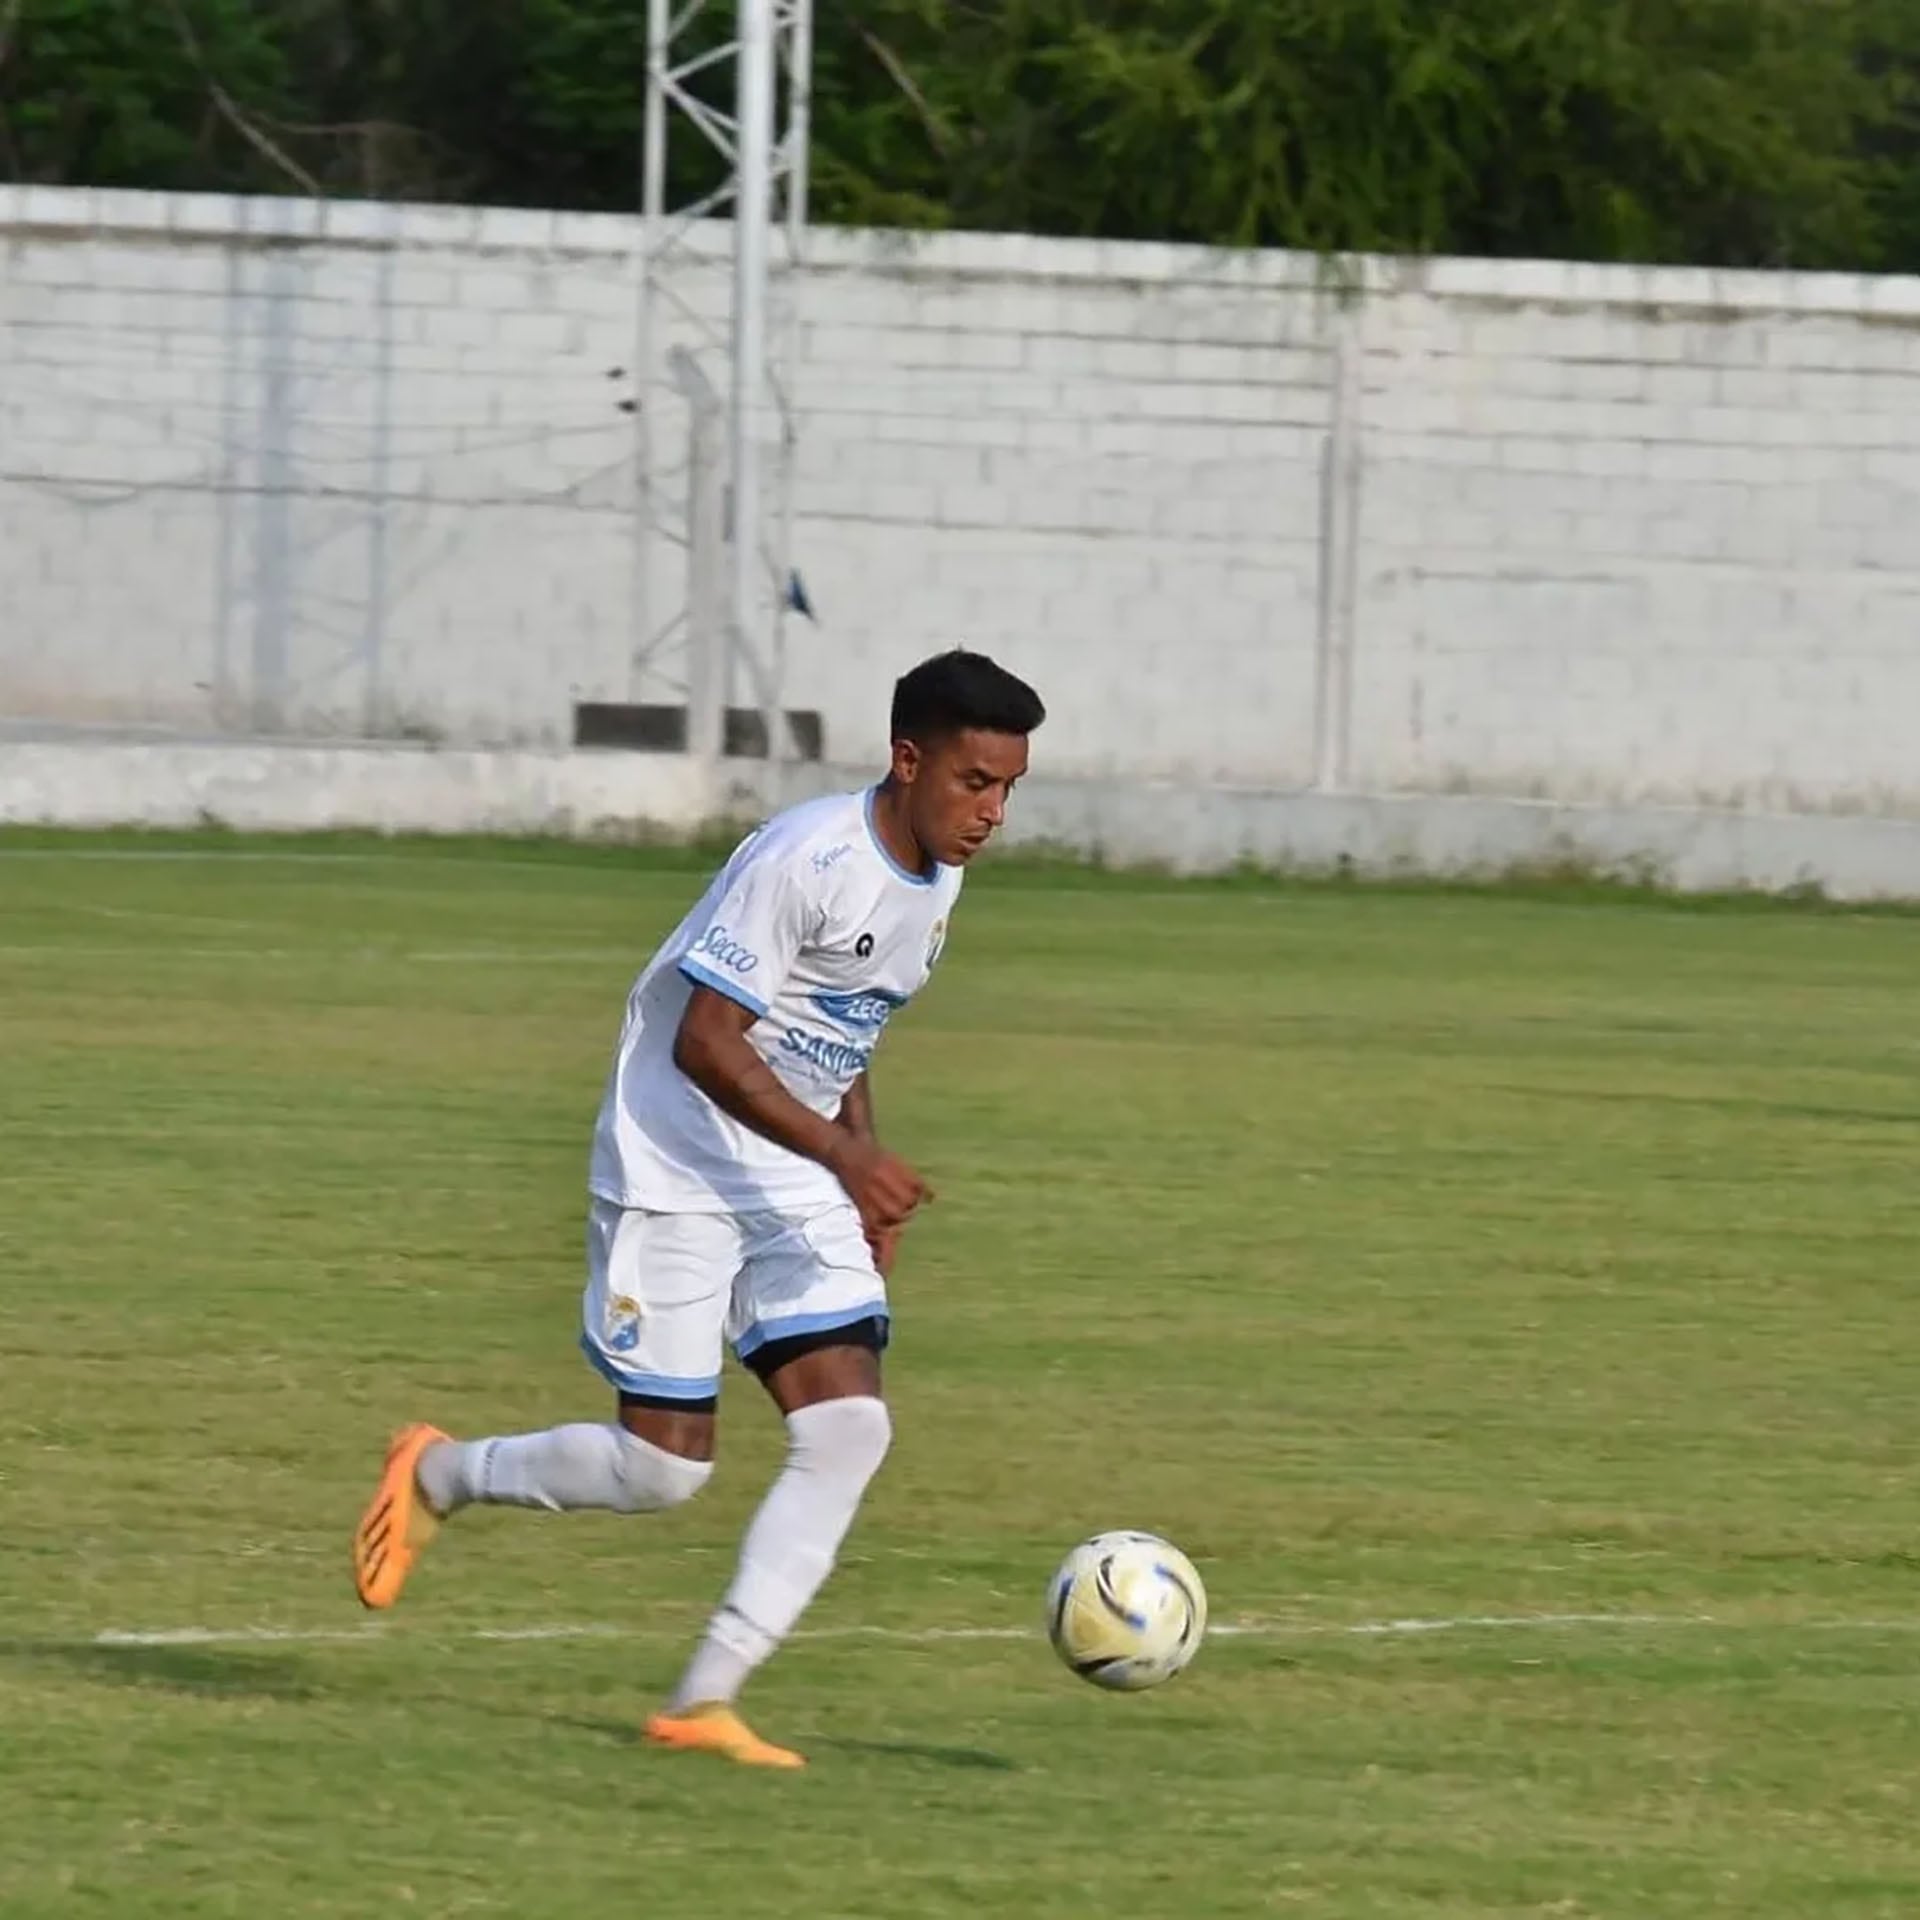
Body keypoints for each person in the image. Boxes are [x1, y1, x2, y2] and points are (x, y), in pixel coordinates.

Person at [351, 647, 1046, 1769]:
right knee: (662, 1469)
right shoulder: (807, 858)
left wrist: (859, 1171)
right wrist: (847, 1157)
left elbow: (843, 1026)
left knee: (850, 1429)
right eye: (976, 782)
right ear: (908, 760)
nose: (993, 813)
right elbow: (706, 1040)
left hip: (790, 1168)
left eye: (1009, 789)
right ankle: (441, 1472)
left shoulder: (938, 877)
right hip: (673, 1159)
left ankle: (703, 1700)